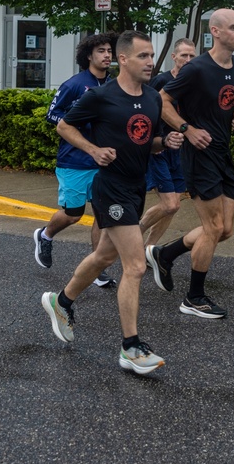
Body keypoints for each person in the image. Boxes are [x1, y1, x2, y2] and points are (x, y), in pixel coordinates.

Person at [41, 30, 183, 374]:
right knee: (134, 266)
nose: (151, 62)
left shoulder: (151, 99)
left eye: (152, 56)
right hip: (111, 188)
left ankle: (60, 302)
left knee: (104, 255)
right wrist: (93, 149)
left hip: (136, 187)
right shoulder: (101, 96)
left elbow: (142, 140)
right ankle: (130, 347)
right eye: (144, 56)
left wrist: (165, 142)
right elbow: (64, 126)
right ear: (124, 59)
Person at [145, 9, 234, 319]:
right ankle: (194, 297)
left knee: (224, 230)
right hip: (199, 155)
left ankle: (165, 253)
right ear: (215, 32)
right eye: (233, 27)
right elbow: (160, 101)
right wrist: (186, 129)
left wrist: (233, 116)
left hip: (222, 153)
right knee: (212, 227)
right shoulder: (196, 68)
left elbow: (221, 103)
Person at [33, 33, 118, 288]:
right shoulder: (74, 84)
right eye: (101, 51)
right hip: (75, 160)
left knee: (102, 215)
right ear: (89, 56)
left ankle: (98, 266)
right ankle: (45, 235)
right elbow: (51, 114)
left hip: (104, 160)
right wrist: (75, 122)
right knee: (73, 214)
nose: (106, 55)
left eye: (109, 51)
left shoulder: (114, 85)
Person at [138, 38, 195, 246]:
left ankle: (148, 249)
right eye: (183, 55)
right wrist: (154, 143)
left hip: (181, 150)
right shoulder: (161, 81)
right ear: (174, 57)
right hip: (159, 149)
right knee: (169, 204)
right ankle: (134, 235)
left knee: (175, 204)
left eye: (192, 56)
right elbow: (146, 111)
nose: (188, 60)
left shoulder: (194, 83)